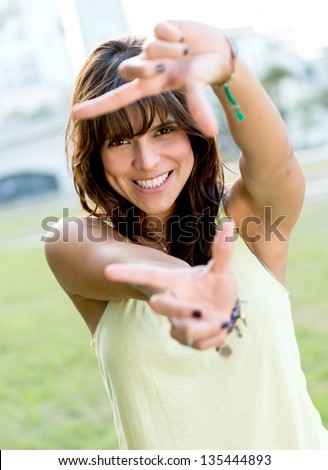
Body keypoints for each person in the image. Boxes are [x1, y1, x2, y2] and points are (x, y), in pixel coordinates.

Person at [45, 20, 328, 450]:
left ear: (192, 133)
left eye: (163, 130)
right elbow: (129, 268)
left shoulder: (250, 224)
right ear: (96, 155)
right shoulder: (71, 239)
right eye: (120, 141)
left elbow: (278, 165)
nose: (147, 160)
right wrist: (189, 287)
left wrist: (230, 68)